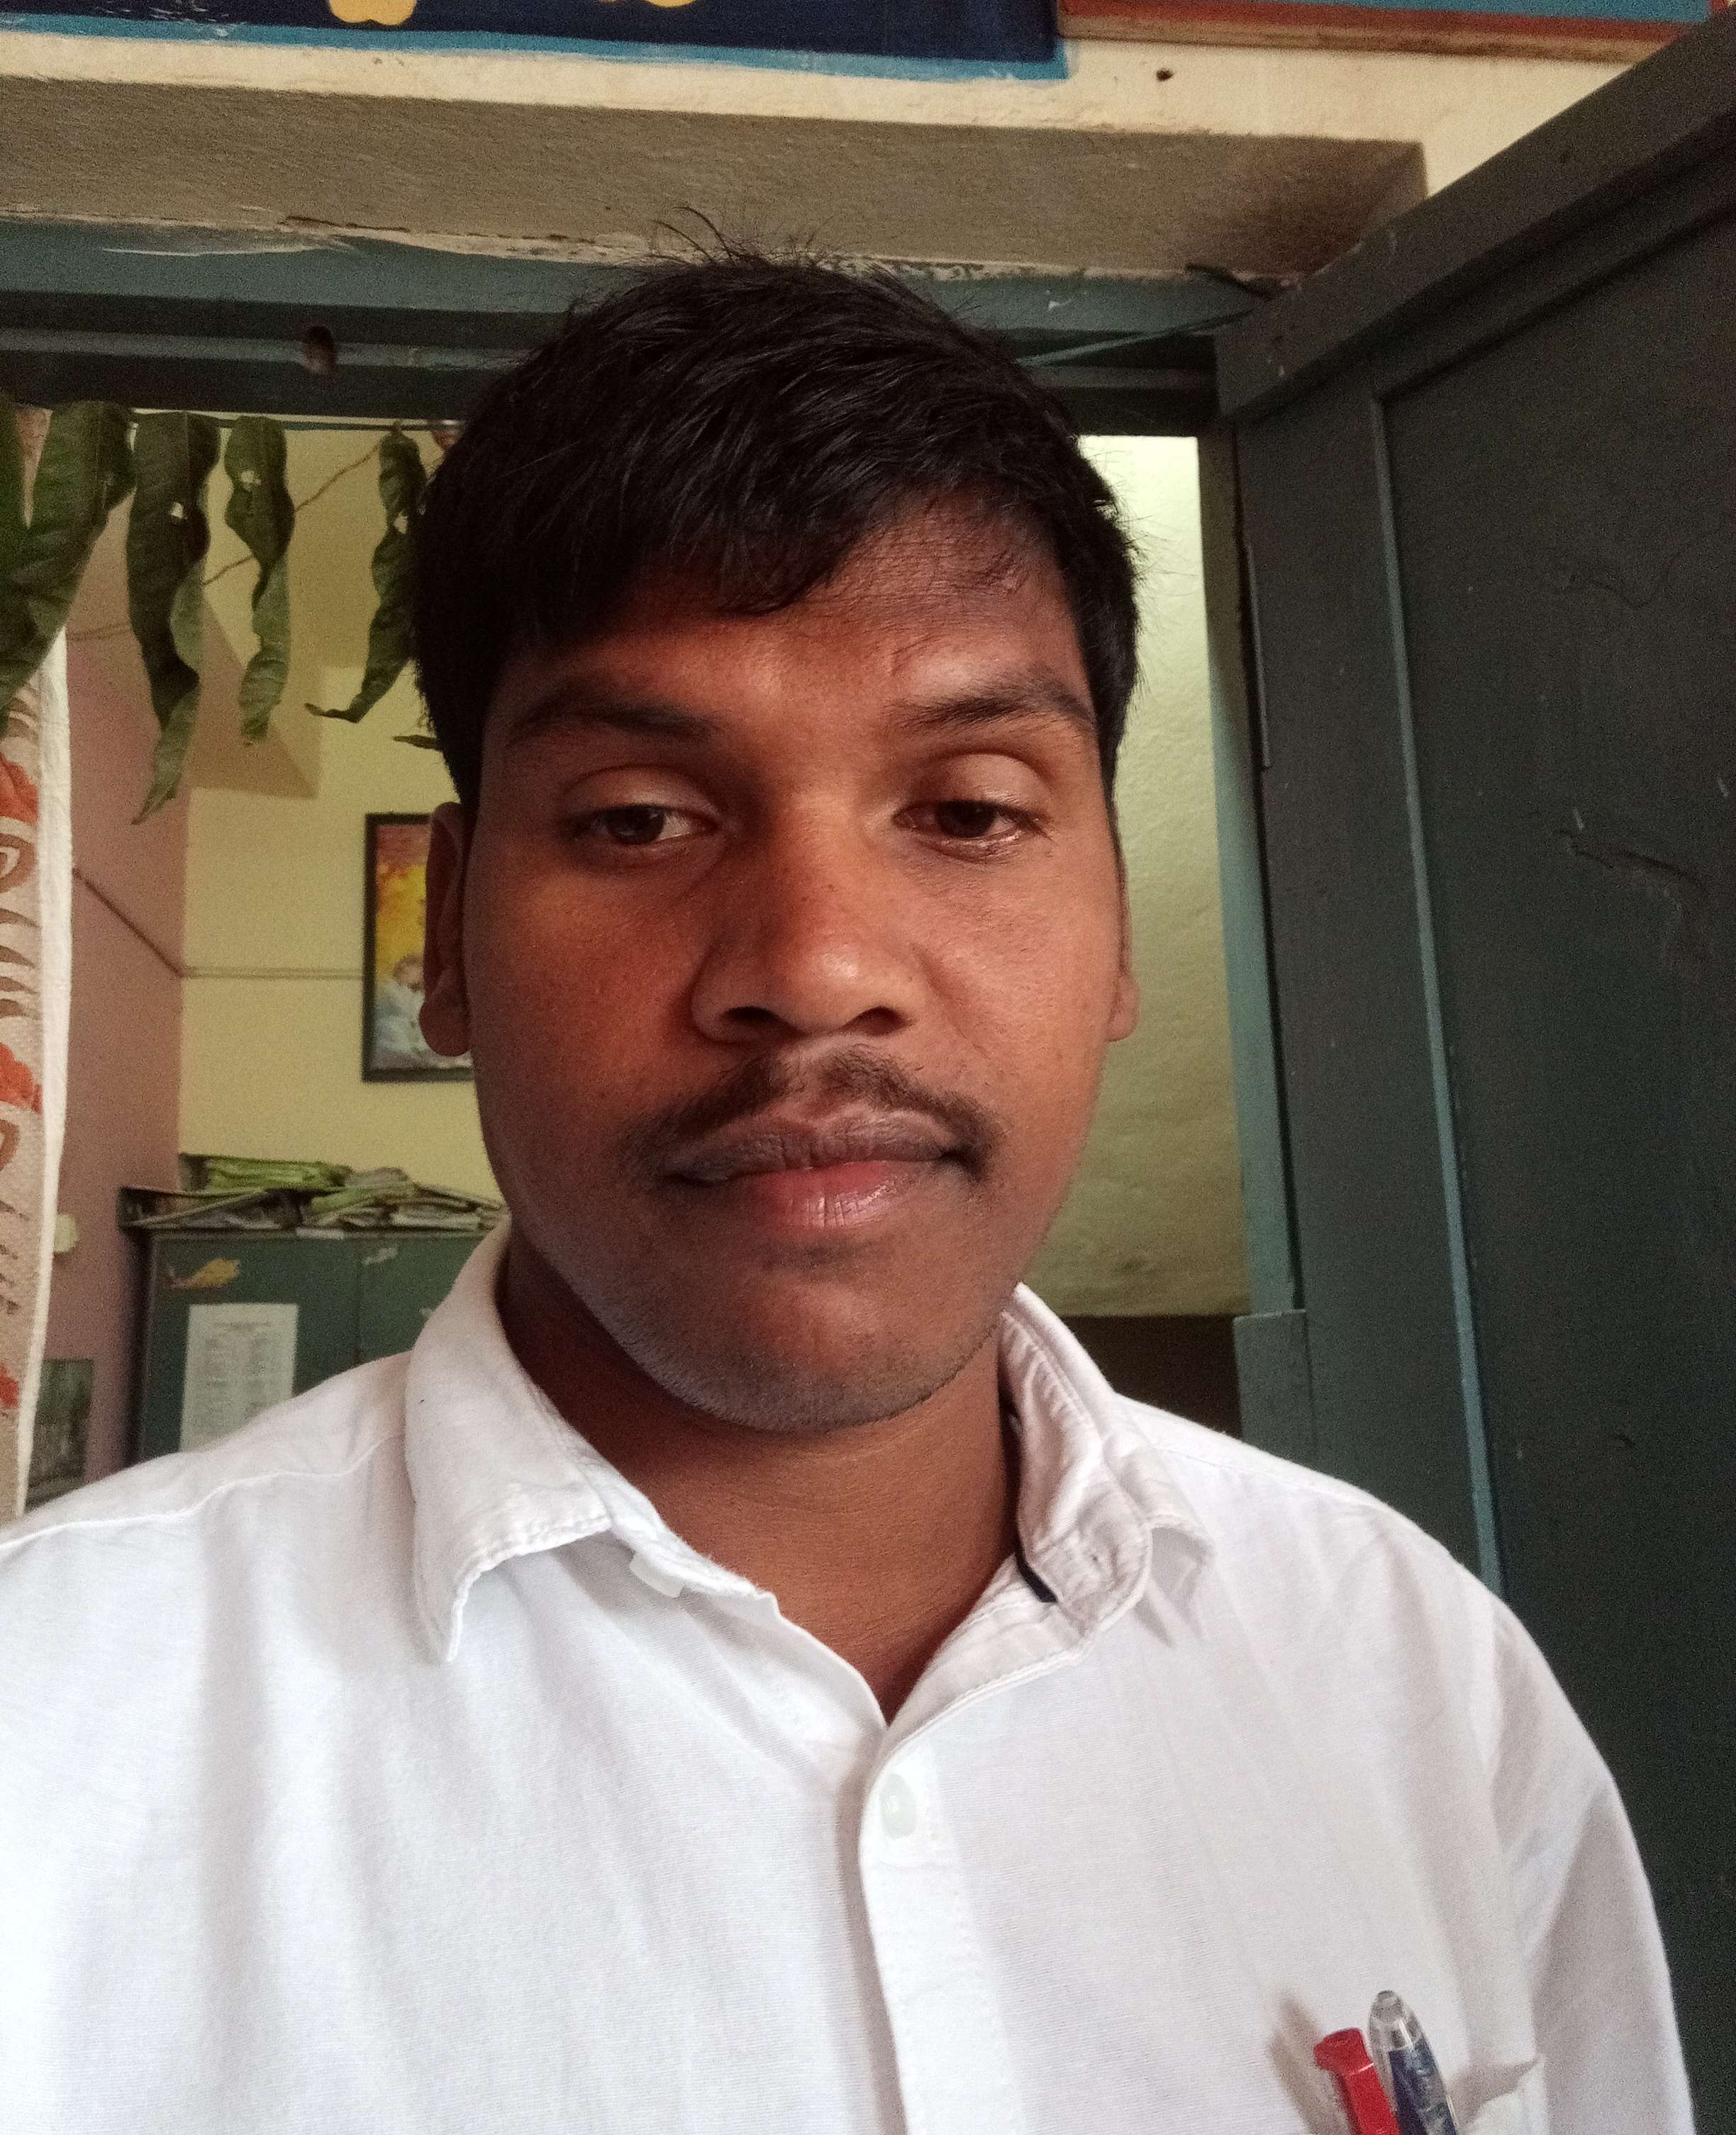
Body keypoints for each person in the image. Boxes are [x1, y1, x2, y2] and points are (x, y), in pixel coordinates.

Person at [0, 257, 1689, 2134]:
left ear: (1121, 934)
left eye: (967, 812)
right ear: (449, 943)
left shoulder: (1408, 1675)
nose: (814, 969)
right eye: (640, 818)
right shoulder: (53, 1737)